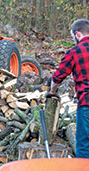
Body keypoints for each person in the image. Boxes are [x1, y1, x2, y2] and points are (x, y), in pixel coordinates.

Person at [49, 19, 89, 158]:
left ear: (77, 34)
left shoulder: (75, 51)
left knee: (84, 147)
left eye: (72, 36)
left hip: (86, 105)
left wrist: (52, 91)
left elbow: (57, 77)